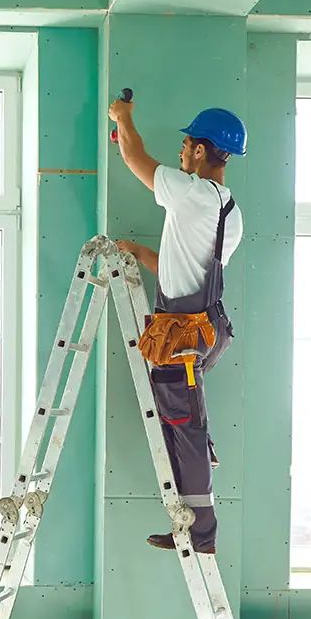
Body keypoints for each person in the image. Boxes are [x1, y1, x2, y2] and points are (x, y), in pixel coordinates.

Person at [107, 96, 246, 555]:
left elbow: (133, 157)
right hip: (203, 330)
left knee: (183, 424)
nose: (182, 154)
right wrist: (138, 253)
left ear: (203, 151)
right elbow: (187, 270)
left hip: (182, 338)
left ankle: (201, 533)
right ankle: (195, 497)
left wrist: (123, 118)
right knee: (182, 419)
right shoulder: (228, 212)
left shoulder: (191, 192)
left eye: (187, 145)